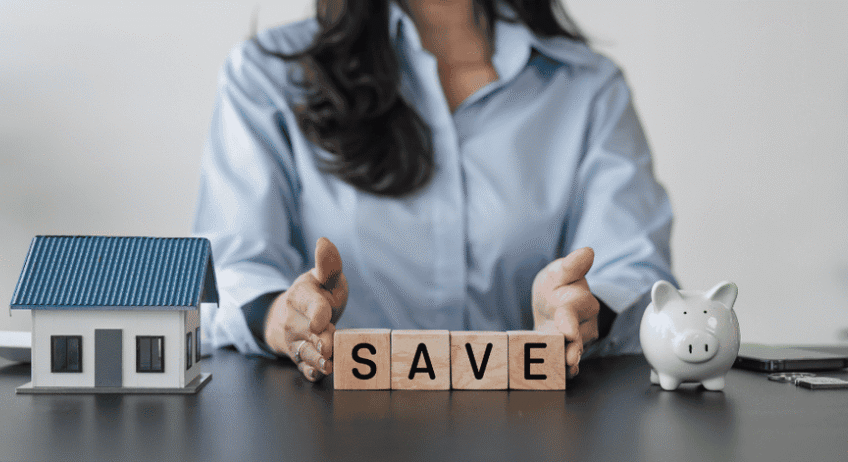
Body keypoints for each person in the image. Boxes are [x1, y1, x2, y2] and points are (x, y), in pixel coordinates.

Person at [193, 0, 676, 382]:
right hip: (325, 441)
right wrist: (285, 318)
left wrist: (581, 312)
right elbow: (236, 267)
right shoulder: (265, 78)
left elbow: (631, 268)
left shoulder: (590, 88)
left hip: (530, 440)